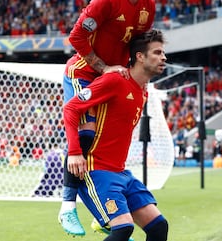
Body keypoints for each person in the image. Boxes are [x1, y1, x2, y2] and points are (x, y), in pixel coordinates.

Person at [59, 0, 160, 236]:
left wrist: (138, 78)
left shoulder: (148, 6)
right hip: (84, 72)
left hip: (114, 76)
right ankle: (67, 207)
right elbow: (76, 36)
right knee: (85, 135)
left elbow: (137, 49)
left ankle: (100, 211)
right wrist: (102, 67)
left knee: (104, 142)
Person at [63, 29, 168, 241]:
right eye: (157, 52)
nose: (163, 57)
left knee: (158, 226)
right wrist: (74, 152)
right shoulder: (114, 81)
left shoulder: (142, 92)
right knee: (123, 229)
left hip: (121, 173)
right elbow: (71, 108)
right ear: (140, 56)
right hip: (96, 171)